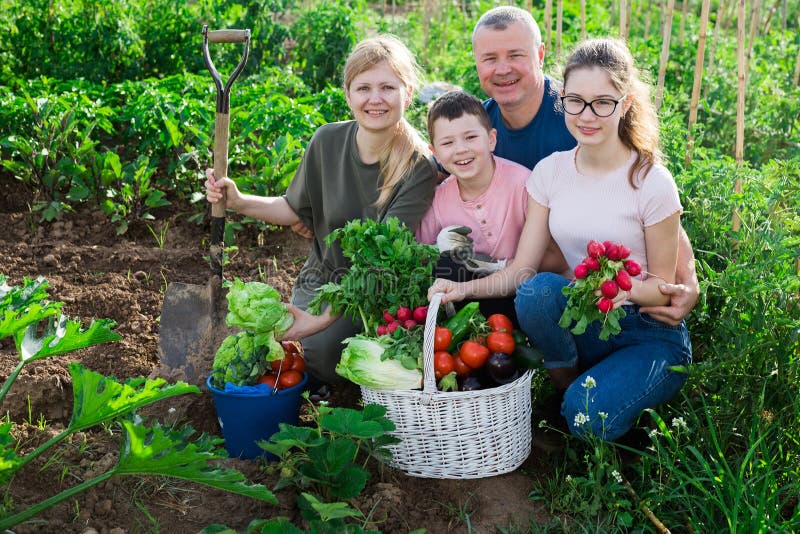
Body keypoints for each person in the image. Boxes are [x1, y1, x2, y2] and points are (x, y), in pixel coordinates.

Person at [429, 38, 692, 442]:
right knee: (536, 293)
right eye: (575, 101)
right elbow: (521, 271)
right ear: (562, 100)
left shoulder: (649, 181)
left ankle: (601, 406)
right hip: (588, 322)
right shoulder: (550, 174)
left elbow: (663, 290)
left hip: (649, 331)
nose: (587, 115)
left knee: (586, 417)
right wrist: (459, 290)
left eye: (602, 102)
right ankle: (567, 384)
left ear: (624, 104)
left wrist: (625, 290)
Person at [205, 35, 438, 389]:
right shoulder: (326, 142)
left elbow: (378, 261)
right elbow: (292, 207)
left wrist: (319, 321)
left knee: (353, 355)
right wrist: (238, 200)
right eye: (363, 88)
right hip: (324, 282)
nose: (375, 99)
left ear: (407, 93)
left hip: (380, 288)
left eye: (388, 87)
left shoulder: (418, 166)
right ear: (348, 95)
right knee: (320, 358)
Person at [470, 6, 699, 323]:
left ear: (539, 54)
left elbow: (647, 199)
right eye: (490, 58)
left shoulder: (579, 113)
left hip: (579, 280)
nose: (503, 68)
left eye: (515, 55)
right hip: (521, 275)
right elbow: (440, 174)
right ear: (476, 62)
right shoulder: (477, 130)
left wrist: (687, 277)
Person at [416, 89, 531, 323]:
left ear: (491, 139)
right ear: (435, 153)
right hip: (471, 307)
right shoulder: (438, 201)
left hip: (524, 295)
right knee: (446, 261)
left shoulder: (523, 183)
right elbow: (420, 259)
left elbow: (549, 259)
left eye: (470, 137)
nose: (461, 149)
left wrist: (502, 266)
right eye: (448, 142)